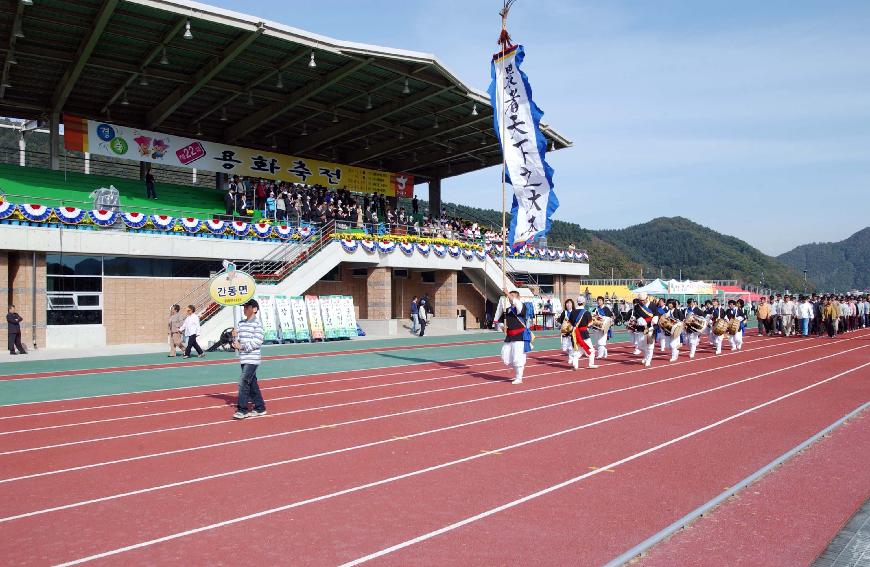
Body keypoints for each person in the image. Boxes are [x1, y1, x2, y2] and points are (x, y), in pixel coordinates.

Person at [232, 298, 266, 419]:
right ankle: (260, 407)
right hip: (244, 358)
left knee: (243, 381)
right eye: (244, 307)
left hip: (253, 359)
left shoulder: (258, 324)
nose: (244, 309)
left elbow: (257, 342)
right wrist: (234, 338)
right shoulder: (241, 323)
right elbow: (237, 341)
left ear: (254, 309)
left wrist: (242, 346)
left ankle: (242, 409)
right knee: (252, 384)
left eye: (247, 307)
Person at [498, 290, 530, 383]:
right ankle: (516, 375)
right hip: (509, 336)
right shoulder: (507, 310)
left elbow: (517, 303)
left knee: (518, 357)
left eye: (513, 296)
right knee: (506, 355)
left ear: (518, 298)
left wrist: (507, 293)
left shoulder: (521, 307)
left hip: (519, 336)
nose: (510, 298)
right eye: (510, 296)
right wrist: (502, 327)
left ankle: (519, 377)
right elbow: (500, 322)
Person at [633, 292, 657, 366]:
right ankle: (646, 356)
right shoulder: (637, 307)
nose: (642, 302)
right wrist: (639, 320)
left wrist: (655, 319)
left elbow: (656, 314)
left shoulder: (653, 305)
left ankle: (648, 360)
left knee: (650, 345)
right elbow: (636, 316)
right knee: (640, 345)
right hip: (641, 328)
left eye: (643, 300)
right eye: (640, 300)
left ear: (647, 298)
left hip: (651, 328)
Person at [591, 296, 614, 360]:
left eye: (600, 300)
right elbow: (592, 316)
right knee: (596, 341)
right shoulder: (595, 309)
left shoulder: (606, 308)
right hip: (596, 327)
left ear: (603, 301)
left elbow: (611, 316)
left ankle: (600, 355)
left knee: (601, 341)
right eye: (598, 300)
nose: (599, 302)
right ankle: (604, 351)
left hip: (603, 327)